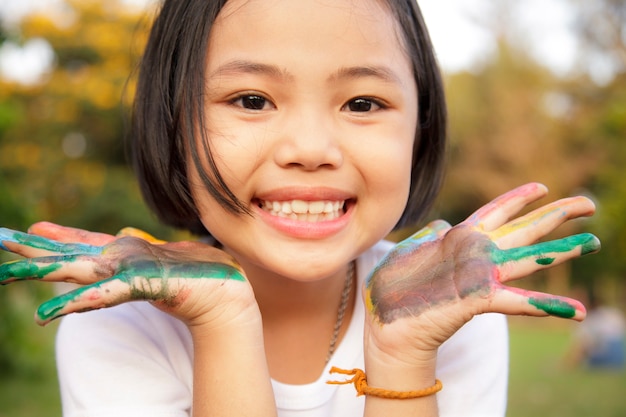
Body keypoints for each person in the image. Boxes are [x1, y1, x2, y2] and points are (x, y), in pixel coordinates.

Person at [0, 0, 600, 416]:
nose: (311, 149)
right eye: (252, 99)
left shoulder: (450, 309)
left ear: (422, 127)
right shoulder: (116, 320)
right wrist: (223, 324)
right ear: (172, 125)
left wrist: (404, 357)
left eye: (363, 103)